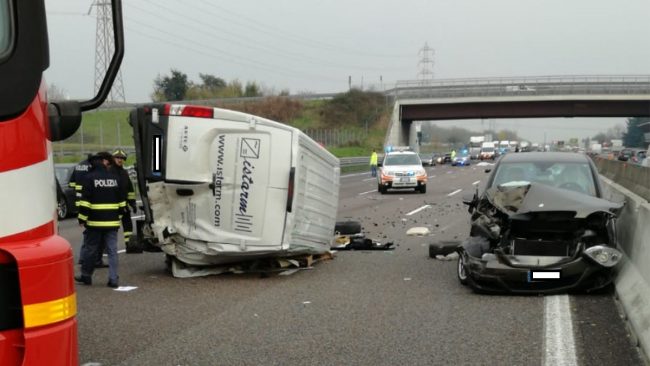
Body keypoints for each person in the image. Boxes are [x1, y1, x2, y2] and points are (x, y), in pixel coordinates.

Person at [75, 151, 126, 288]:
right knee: (112, 251)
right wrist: (118, 217)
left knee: (91, 249)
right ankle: (113, 279)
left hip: (94, 222)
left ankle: (86, 276)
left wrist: (82, 219)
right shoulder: (115, 178)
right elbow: (122, 202)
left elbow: (85, 203)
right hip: (112, 222)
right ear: (105, 162)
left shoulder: (89, 178)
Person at [70, 154, 108, 268]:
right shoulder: (92, 169)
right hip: (89, 201)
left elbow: (71, 183)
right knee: (90, 236)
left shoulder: (78, 166)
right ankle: (86, 259)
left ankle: (88, 259)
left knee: (89, 235)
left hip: (79, 200)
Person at [111, 149, 137, 245]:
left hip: (124, 205)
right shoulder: (109, 172)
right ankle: (109, 246)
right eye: (117, 158)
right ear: (113, 159)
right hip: (113, 206)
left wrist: (132, 202)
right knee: (113, 227)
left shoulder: (124, 173)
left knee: (128, 225)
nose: (120, 160)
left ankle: (129, 244)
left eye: (122, 158)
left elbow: (130, 189)